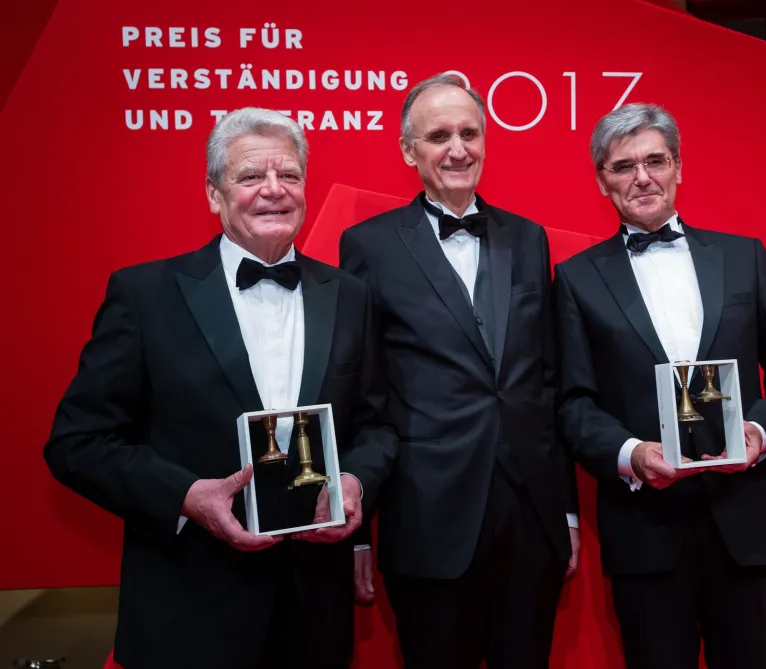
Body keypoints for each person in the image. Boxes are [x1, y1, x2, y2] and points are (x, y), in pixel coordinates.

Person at [44, 107, 395, 669]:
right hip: (188, 610)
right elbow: (77, 444)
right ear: (214, 193)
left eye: (289, 175)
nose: (274, 191)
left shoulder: (350, 296)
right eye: (251, 176)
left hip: (313, 613)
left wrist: (353, 479)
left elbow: (377, 424)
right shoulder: (144, 295)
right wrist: (185, 496)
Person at [554, 103, 766, 669]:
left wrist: (757, 432)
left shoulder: (744, 257)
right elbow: (574, 404)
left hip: (743, 520)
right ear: (602, 181)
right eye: (623, 166)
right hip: (645, 528)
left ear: (679, 168)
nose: (642, 177)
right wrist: (631, 454)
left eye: (655, 160)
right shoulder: (575, 279)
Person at [338, 73, 579, 669]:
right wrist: (360, 528)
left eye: (469, 133)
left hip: (530, 516)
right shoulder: (368, 245)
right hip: (427, 515)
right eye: (439, 135)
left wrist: (567, 509)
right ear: (407, 150)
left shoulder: (528, 238)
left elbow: (548, 381)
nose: (457, 149)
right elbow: (359, 391)